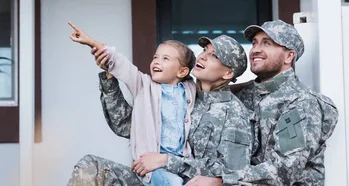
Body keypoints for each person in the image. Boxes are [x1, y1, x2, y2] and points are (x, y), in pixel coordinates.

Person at [98, 20, 339, 186]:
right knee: (94, 169)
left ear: (289, 56)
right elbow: (131, 125)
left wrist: (219, 180)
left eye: (268, 43)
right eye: (255, 42)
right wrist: (110, 76)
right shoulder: (235, 95)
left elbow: (284, 171)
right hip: (184, 180)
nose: (256, 49)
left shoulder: (300, 103)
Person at [67, 34, 255, 186]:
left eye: (214, 55)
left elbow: (231, 174)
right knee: (91, 167)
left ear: (228, 73)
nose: (203, 56)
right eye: (205, 50)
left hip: (181, 182)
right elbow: (126, 126)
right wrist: (110, 78)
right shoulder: (182, 93)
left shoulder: (234, 113)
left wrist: (165, 160)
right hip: (151, 177)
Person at [68, 21, 196, 186]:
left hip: (178, 166)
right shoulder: (144, 85)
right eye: (155, 57)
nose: (157, 61)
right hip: (150, 169)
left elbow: (218, 88)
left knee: (178, 180)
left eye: (165, 59)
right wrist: (92, 43)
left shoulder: (190, 89)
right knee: (173, 182)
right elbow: (121, 64)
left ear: (182, 71)